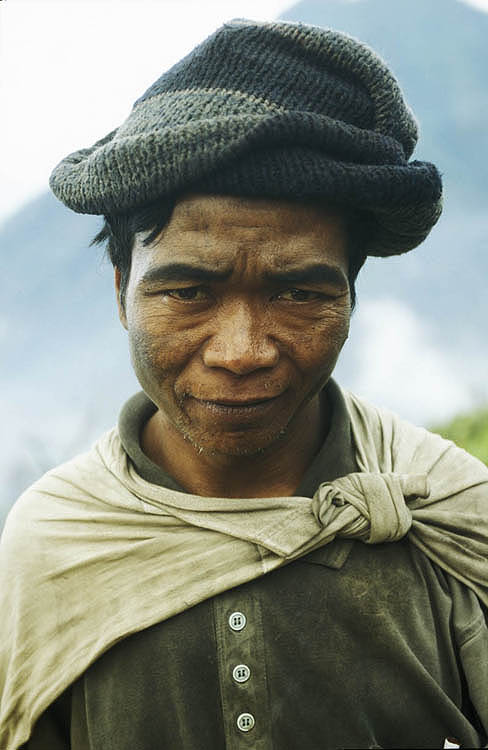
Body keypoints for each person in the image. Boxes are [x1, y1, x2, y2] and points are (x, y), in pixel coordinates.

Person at [1, 17, 488, 750]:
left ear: (352, 295)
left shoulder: (444, 511)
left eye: (298, 294)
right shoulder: (54, 542)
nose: (241, 352)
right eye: (188, 292)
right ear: (119, 292)